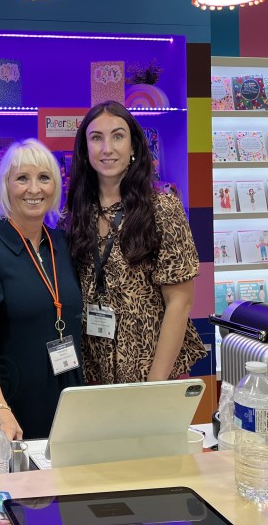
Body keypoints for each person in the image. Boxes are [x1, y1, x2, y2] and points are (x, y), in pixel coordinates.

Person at [65, 101, 206, 384]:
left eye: (118, 136)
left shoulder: (163, 208)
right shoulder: (74, 215)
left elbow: (180, 301)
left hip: (154, 368)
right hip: (96, 371)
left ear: (133, 147)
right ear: (85, 150)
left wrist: (155, 383)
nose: (107, 148)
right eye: (96, 138)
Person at [0, 139, 83, 441]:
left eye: (44, 177)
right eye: (22, 178)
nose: (34, 189)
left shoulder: (63, 245)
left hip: (68, 397)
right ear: (5, 185)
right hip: (11, 405)